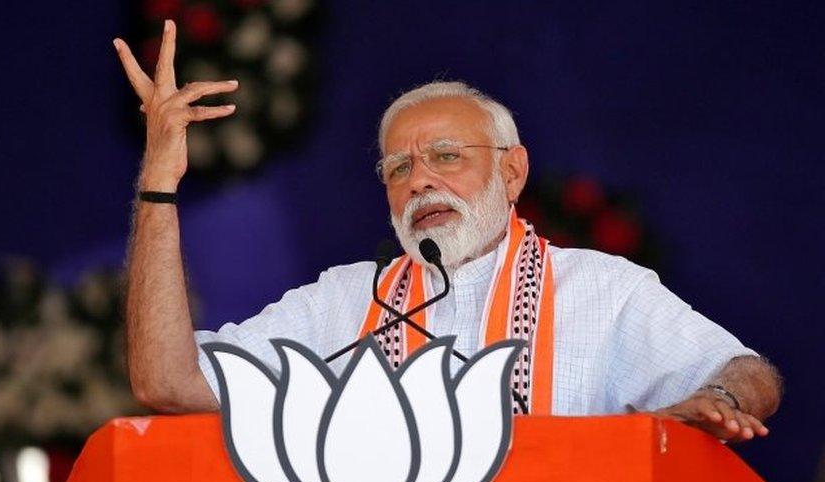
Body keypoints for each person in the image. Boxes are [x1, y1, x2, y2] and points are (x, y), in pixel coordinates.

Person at [113, 21, 781, 443]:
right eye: (398, 167)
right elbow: (170, 382)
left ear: (512, 171)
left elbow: (749, 371)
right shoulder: (340, 303)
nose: (420, 181)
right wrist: (159, 181)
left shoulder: (603, 290)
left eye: (446, 157)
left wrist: (715, 400)